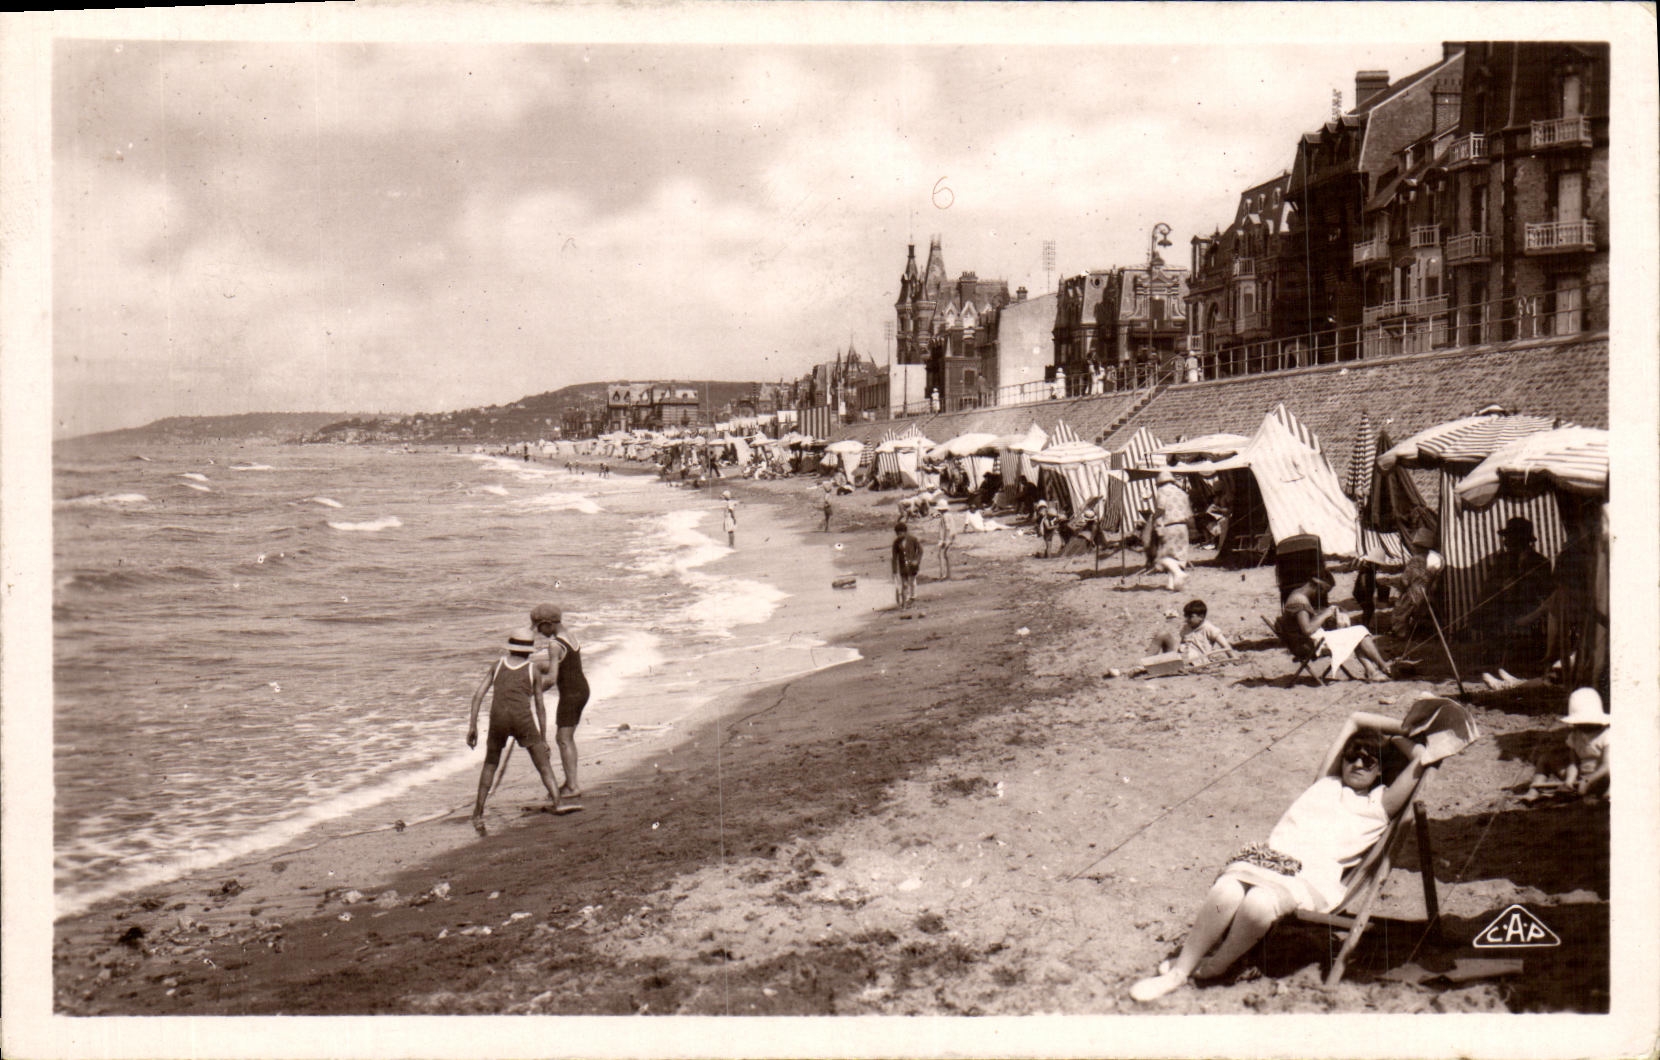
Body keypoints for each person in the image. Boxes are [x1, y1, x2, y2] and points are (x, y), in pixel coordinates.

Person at [1129, 711, 1434, 1002]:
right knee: (1226, 889)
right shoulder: (1326, 782)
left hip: (1313, 874)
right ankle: (1180, 972)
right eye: (1351, 756)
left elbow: (1423, 757)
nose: (1356, 763)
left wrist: (1397, 740)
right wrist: (1399, 732)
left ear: (1380, 770)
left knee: (1259, 902)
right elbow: (1355, 719)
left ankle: (1218, 965)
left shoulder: (1380, 804)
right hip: (1273, 858)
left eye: (1368, 761)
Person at [466, 629, 567, 834]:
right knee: (542, 763)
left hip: (498, 720)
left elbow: (477, 696)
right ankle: (558, 801)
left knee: (490, 764)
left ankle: (478, 811)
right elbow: (539, 706)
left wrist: (473, 726)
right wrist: (544, 738)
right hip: (522, 720)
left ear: (511, 647)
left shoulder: (498, 665)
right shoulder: (533, 671)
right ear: (529, 652)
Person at [530, 603, 591, 804]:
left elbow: (553, 678)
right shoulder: (570, 637)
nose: (539, 632)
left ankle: (572, 786)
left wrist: (532, 692)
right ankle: (570, 782)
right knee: (566, 737)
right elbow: (567, 663)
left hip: (571, 694)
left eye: (539, 627)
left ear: (548, 624)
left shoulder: (554, 644)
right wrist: (539, 665)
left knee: (563, 739)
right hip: (581, 690)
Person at [1284, 570, 1393, 682]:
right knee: (1360, 630)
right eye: (1324, 592)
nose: (1322, 595)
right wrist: (1326, 614)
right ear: (1317, 587)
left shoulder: (1297, 594)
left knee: (1355, 633)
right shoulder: (1299, 601)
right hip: (1308, 645)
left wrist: (1326, 613)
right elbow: (1307, 629)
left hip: (1309, 641)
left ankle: (1372, 671)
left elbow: (1306, 622)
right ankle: (1383, 667)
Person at [1476, 516, 1554, 671]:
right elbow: (1490, 584)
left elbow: (1546, 589)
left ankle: (1530, 650)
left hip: (1530, 607)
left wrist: (1523, 570)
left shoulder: (1540, 562)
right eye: (1506, 538)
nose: (1505, 542)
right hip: (1503, 605)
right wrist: (1501, 586)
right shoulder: (1502, 560)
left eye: (1510, 538)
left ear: (1522, 540)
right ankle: (1494, 649)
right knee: (1485, 606)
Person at [1377, 526, 1443, 640]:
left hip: (1415, 594)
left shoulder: (1416, 560)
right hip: (1430, 591)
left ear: (1419, 546)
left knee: (1400, 610)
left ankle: (1400, 632)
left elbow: (1405, 580)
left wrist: (1401, 589)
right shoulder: (1436, 559)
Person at [1149, 599, 1237, 667]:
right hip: (1181, 655)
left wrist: (1233, 659)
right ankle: (1145, 663)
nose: (1187, 619)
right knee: (1162, 634)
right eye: (1186, 616)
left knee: (1188, 654)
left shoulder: (1209, 628)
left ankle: (1159, 664)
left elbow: (1225, 646)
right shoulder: (1187, 627)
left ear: (1201, 617)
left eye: (1190, 617)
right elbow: (1182, 643)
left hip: (1196, 659)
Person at [1152, 470, 1191, 591]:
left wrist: (1154, 517)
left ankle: (1179, 574)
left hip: (1170, 525)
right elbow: (1188, 513)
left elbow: (1160, 508)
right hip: (1183, 526)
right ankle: (1171, 584)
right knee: (1177, 557)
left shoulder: (1162, 491)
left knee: (1163, 557)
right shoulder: (1181, 492)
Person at [891, 520, 923, 608]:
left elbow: (920, 551)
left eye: (901, 533)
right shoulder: (896, 543)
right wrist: (894, 571)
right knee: (904, 584)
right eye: (897, 534)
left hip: (912, 566)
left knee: (912, 581)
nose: (899, 535)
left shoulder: (913, 539)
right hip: (903, 567)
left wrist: (917, 560)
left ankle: (913, 597)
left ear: (905, 532)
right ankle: (905, 600)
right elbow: (894, 558)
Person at [935, 497, 958, 580]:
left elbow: (947, 528)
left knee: (941, 555)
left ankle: (943, 574)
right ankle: (948, 574)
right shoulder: (949, 515)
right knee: (946, 555)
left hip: (946, 538)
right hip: (951, 537)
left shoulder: (945, 516)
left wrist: (945, 540)